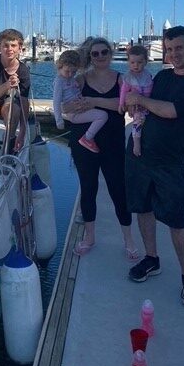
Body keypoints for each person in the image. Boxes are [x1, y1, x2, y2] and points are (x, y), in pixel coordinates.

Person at [122, 26, 184, 308]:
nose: (173, 54)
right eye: (169, 49)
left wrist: (140, 100)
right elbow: (140, 105)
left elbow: (171, 110)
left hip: (169, 162)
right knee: (143, 208)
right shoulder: (161, 76)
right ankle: (152, 259)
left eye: (179, 48)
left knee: (176, 220)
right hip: (139, 156)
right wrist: (131, 105)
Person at [62, 37, 139, 260]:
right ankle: (89, 237)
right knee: (88, 188)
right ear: (89, 56)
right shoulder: (79, 79)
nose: (100, 57)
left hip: (113, 142)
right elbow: (66, 106)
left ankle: (129, 239)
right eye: (95, 54)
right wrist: (74, 105)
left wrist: (93, 101)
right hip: (83, 142)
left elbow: (122, 106)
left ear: (111, 53)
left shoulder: (120, 79)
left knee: (118, 190)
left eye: (104, 52)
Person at [53, 49, 108, 153]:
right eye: (67, 71)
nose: (70, 74)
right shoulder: (59, 81)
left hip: (80, 108)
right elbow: (56, 102)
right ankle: (87, 138)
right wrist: (59, 120)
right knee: (103, 116)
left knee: (101, 114)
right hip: (74, 114)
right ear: (60, 67)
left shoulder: (70, 79)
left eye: (73, 72)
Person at [118, 44, 153, 157]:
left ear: (145, 62)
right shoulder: (129, 77)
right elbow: (123, 91)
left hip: (149, 103)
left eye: (139, 62)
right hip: (137, 106)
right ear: (128, 62)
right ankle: (136, 143)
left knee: (148, 121)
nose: (136, 65)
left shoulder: (147, 75)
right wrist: (121, 104)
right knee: (137, 120)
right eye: (132, 63)